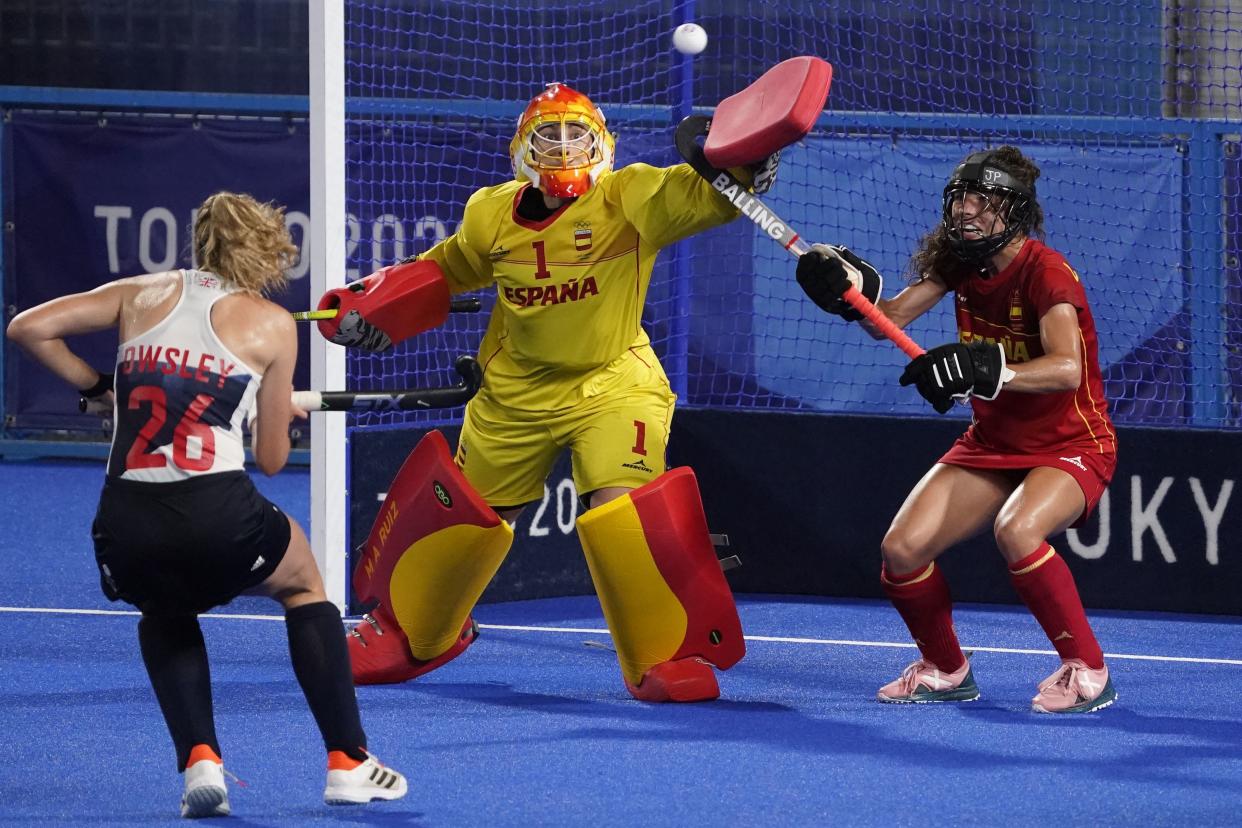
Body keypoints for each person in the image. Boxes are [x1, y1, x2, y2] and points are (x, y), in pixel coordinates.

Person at [328, 83, 776, 702]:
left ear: (603, 145)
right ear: (523, 149)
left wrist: (746, 162)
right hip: (515, 394)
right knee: (465, 516)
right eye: (548, 134)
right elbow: (451, 266)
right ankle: (413, 635)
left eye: (577, 134)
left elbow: (709, 197)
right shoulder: (490, 212)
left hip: (614, 382)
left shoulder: (631, 195)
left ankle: (664, 656)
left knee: (623, 508)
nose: (563, 146)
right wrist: (376, 304)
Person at [6, 192, 408, 817]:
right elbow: (272, 459)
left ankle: (200, 764)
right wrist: (283, 408)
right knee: (303, 583)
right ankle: (349, 761)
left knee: (164, 603)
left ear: (202, 243)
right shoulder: (272, 324)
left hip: (124, 521)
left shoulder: (137, 294)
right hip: (216, 515)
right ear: (268, 248)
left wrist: (97, 387)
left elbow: (27, 327)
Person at [796, 146, 1118, 713]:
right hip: (994, 442)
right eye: (960, 197)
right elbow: (888, 321)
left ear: (1014, 210)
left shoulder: (1046, 273)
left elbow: (1068, 367)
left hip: (1071, 443)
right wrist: (849, 292)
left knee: (1017, 531)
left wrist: (988, 367)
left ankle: (1087, 669)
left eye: (982, 199)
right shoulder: (960, 263)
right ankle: (946, 669)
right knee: (901, 549)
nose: (967, 210)